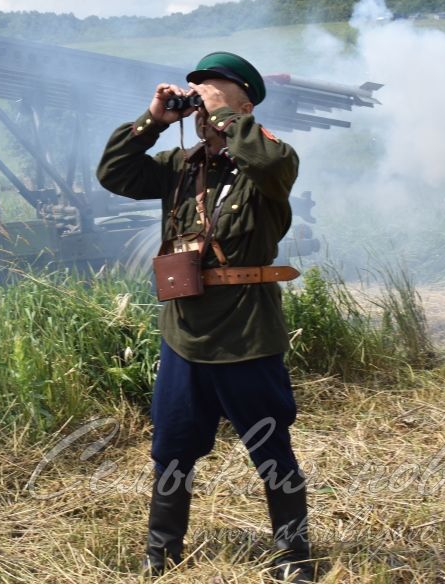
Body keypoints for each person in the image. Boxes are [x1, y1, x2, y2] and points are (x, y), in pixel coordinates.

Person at [96, 52, 314, 582]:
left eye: (214, 91)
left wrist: (225, 116)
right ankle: (161, 553)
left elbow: (263, 160)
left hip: (245, 334)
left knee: (270, 449)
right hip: (184, 334)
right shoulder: (181, 167)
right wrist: (154, 119)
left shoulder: (272, 163)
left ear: (244, 104)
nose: (202, 103)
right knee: (172, 446)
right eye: (198, 94)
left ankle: (294, 557)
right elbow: (115, 175)